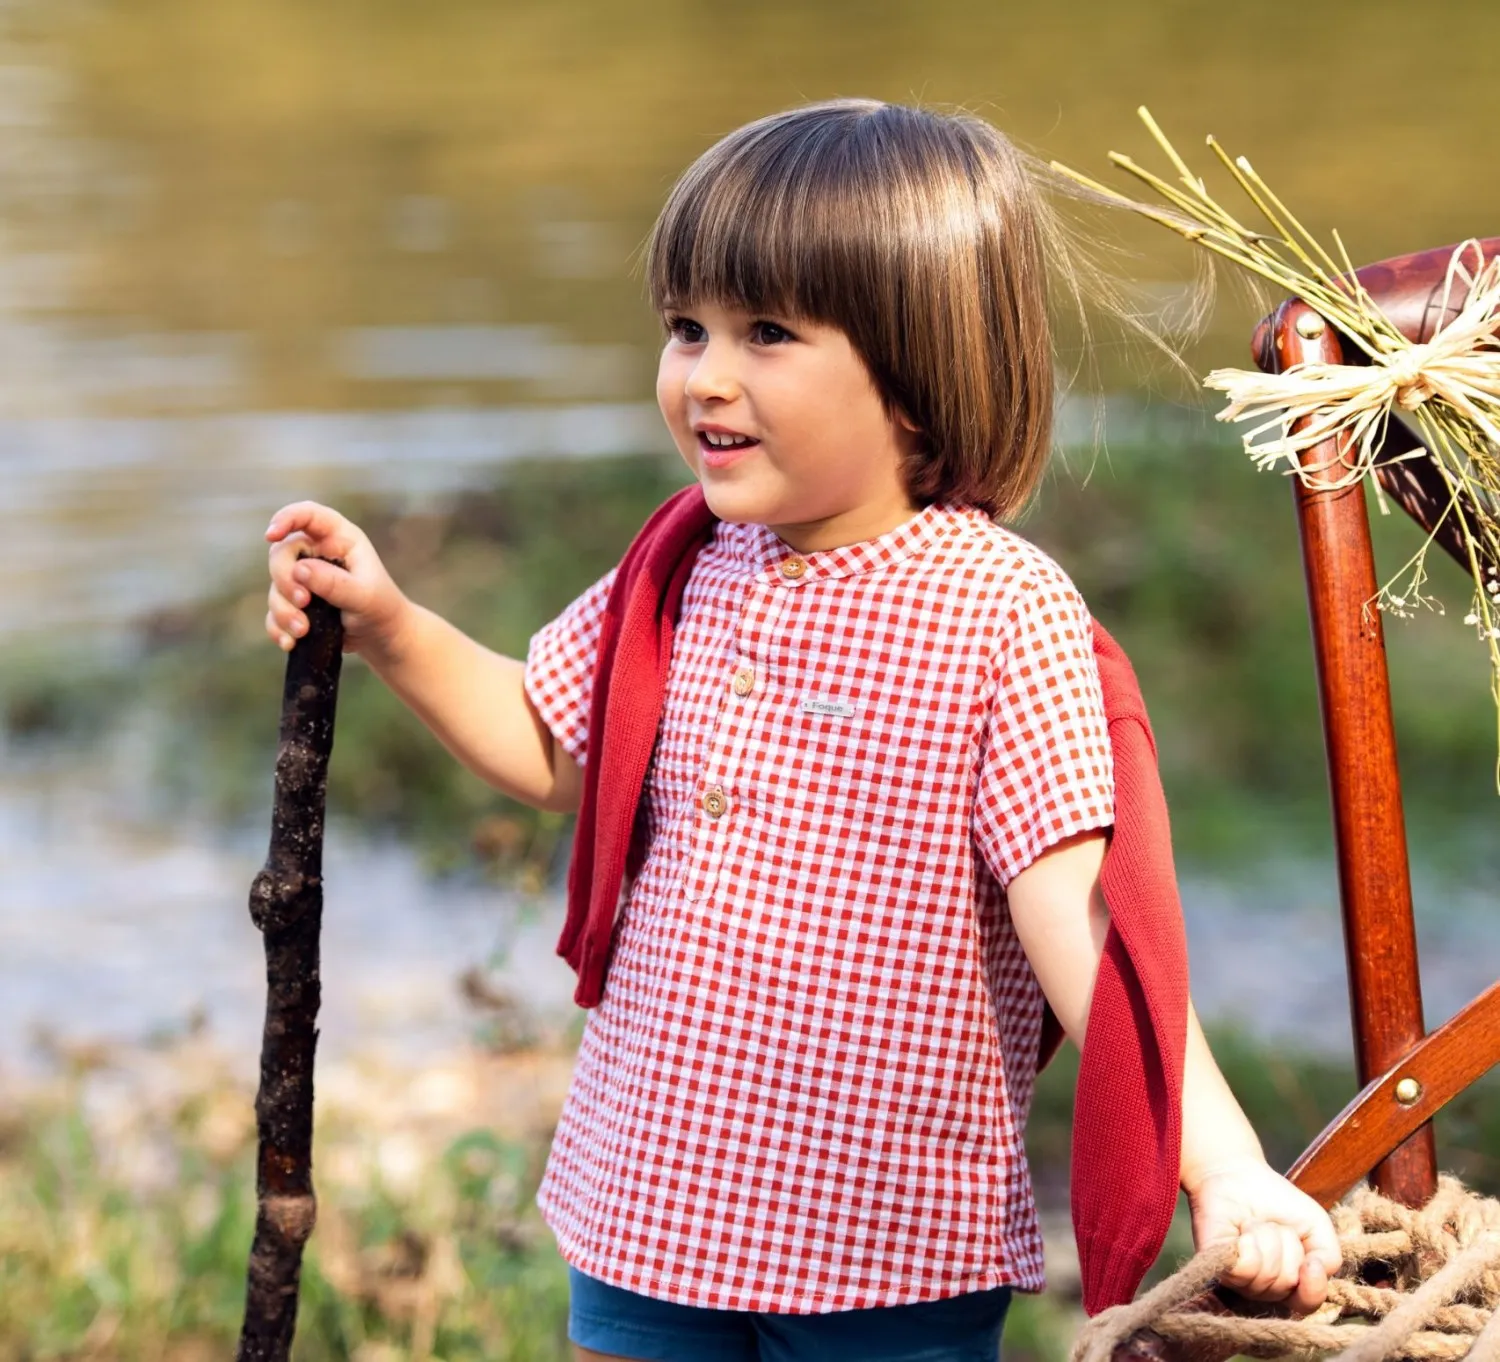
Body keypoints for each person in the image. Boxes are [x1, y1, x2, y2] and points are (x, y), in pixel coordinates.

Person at [264, 99, 1342, 1362]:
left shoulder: (998, 612)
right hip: (652, 1201)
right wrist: (392, 623)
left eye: (767, 333)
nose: (704, 375)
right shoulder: (685, 566)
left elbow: (1088, 926)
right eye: (687, 328)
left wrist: (1220, 1165)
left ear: (917, 372)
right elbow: (552, 746)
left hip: (889, 1241)